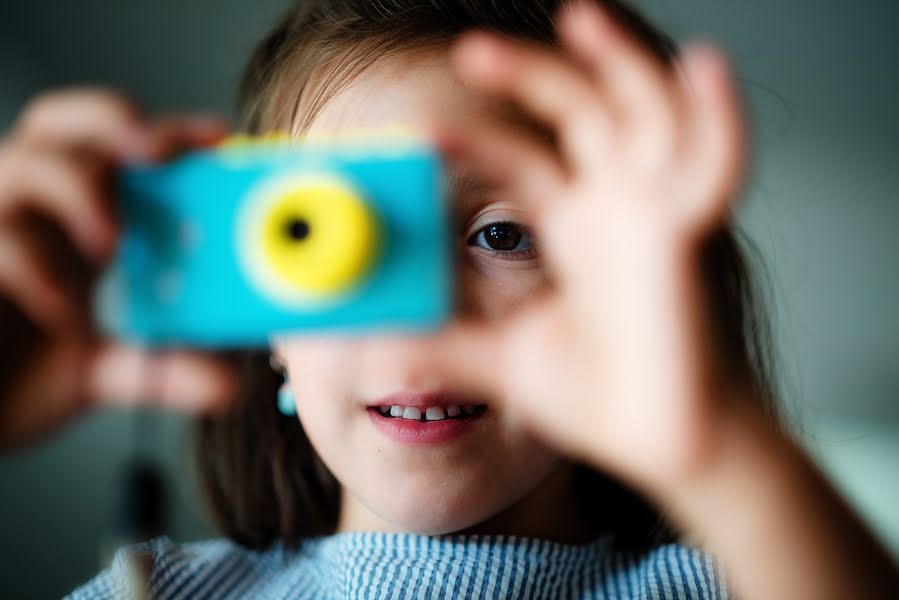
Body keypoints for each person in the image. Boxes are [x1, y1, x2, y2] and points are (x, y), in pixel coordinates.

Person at [0, 0, 894, 598]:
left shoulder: (757, 574)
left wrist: (717, 448)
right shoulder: (149, 593)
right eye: (317, 237)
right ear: (269, 324)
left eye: (500, 235)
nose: (419, 316)